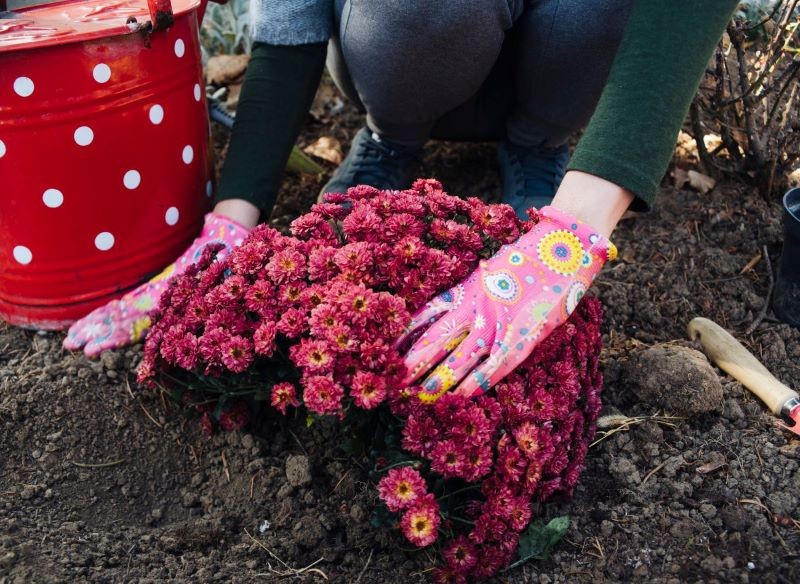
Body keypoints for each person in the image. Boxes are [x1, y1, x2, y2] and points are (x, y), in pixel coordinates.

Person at [66, 0, 738, 394]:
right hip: (402, 55)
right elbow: (290, 26)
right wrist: (231, 224)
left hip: (556, 65)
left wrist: (574, 235)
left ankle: (536, 146)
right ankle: (392, 140)